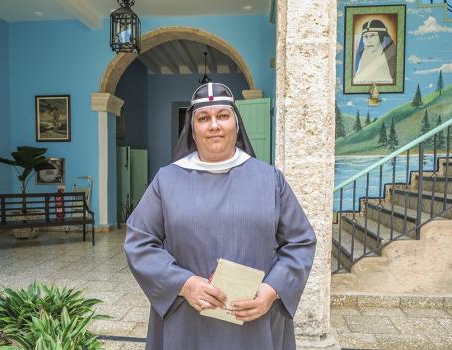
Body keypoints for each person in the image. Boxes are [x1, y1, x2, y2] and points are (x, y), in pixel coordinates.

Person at [124, 82, 317, 350]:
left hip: (254, 319)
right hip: (187, 319)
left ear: (236, 125)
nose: (214, 125)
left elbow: (300, 242)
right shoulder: (166, 180)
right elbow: (139, 242)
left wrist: (271, 291)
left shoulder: (270, 179)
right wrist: (184, 284)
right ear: (192, 129)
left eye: (222, 116)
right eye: (203, 118)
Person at [353, 19, 397, 85]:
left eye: (373, 35)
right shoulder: (361, 57)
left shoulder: (391, 56)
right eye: (365, 36)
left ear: (381, 36)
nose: (368, 40)